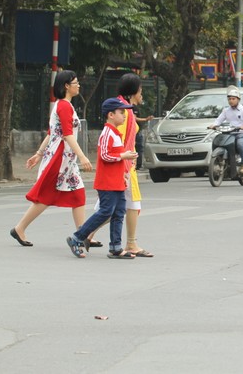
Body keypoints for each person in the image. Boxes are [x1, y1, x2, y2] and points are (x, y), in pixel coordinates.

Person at [10, 71, 93, 247]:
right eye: (76, 83)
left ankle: (83, 235)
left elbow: (52, 132)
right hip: (60, 158)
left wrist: (39, 153)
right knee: (46, 196)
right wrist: (82, 156)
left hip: (66, 159)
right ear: (66, 86)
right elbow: (67, 135)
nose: (78, 85)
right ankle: (20, 228)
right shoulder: (63, 106)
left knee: (78, 195)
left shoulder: (63, 105)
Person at [88, 73, 154, 257]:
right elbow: (119, 141)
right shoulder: (124, 113)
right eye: (141, 90)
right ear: (134, 91)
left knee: (111, 208)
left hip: (125, 165)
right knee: (128, 205)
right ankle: (129, 243)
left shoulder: (126, 110)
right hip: (124, 166)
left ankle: (87, 234)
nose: (142, 94)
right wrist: (125, 167)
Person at [66, 98, 138, 258]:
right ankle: (77, 237)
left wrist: (125, 168)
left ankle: (116, 247)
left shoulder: (116, 133)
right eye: (121, 112)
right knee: (106, 212)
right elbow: (105, 155)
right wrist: (123, 155)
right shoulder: (107, 133)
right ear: (111, 115)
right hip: (107, 182)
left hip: (117, 181)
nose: (125, 115)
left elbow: (114, 157)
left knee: (119, 213)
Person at [208, 86, 243, 175]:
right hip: (228, 133)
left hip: (240, 134)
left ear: (238, 99)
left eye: (233, 99)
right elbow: (219, 120)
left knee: (240, 144)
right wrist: (214, 125)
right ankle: (218, 161)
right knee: (216, 141)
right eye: (229, 99)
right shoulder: (226, 110)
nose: (231, 101)